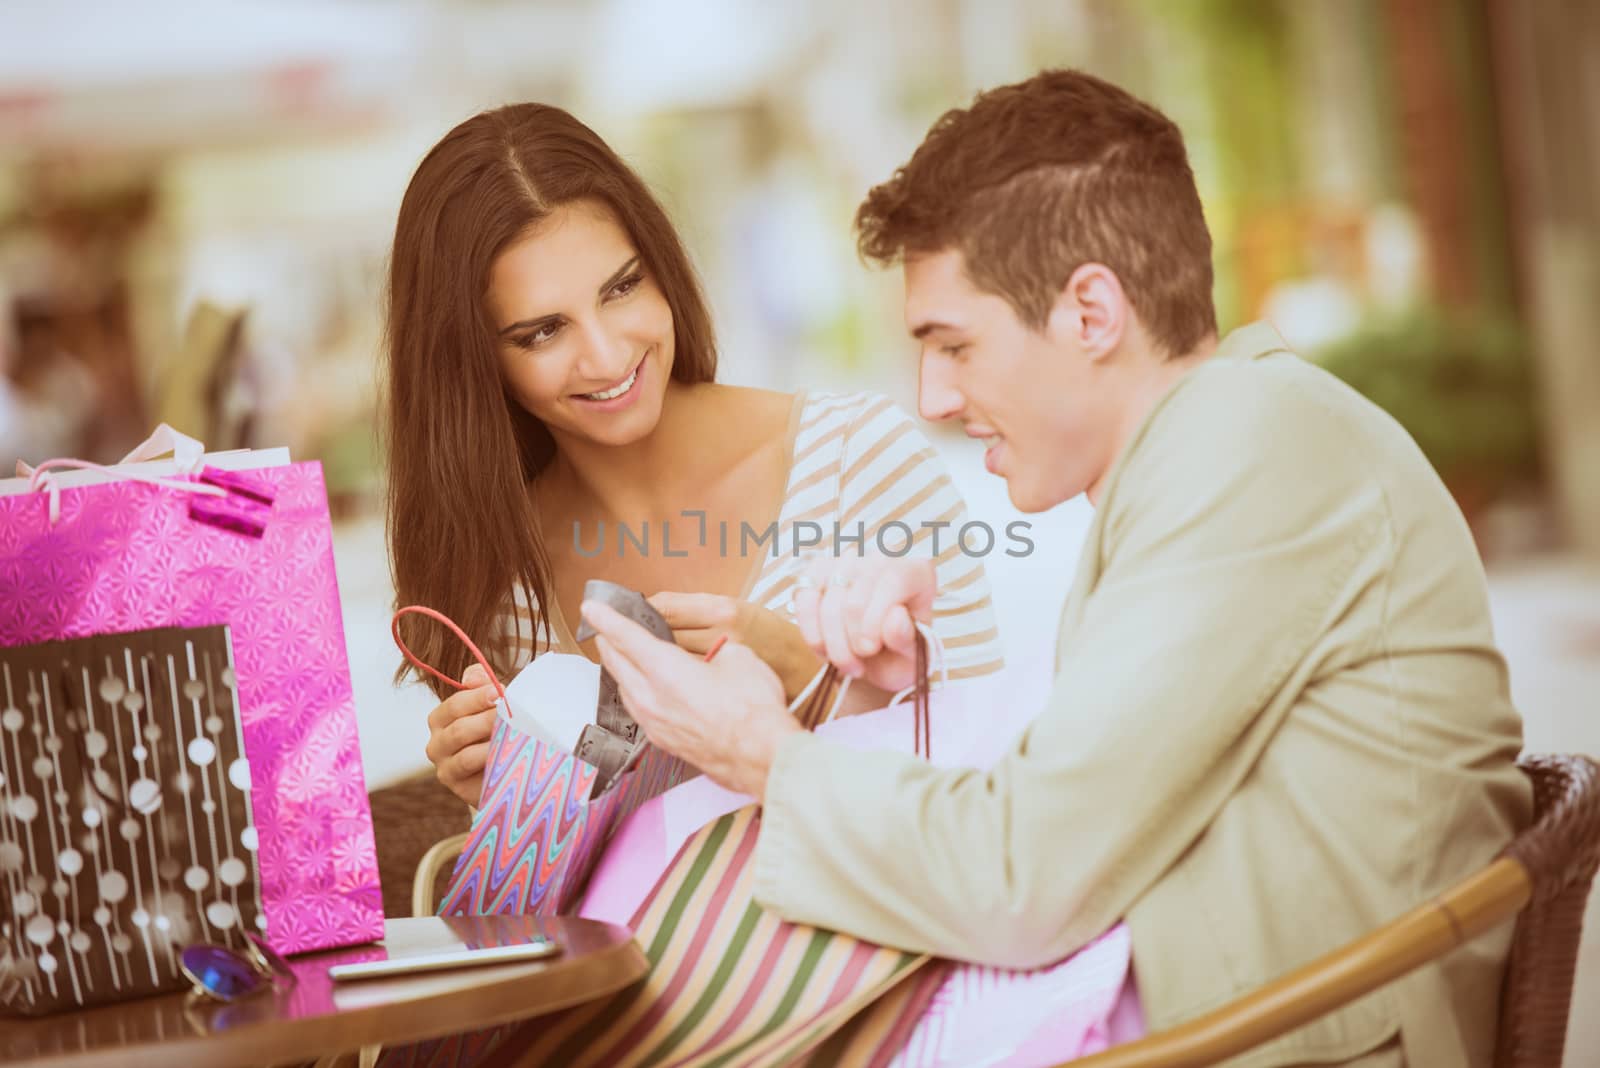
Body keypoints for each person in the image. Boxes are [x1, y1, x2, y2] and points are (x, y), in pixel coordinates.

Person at [580, 70, 1531, 1067]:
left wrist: (760, 754)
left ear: (1090, 312)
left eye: (953, 345)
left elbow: (1021, 879)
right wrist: (906, 690)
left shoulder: (1247, 444)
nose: (932, 397)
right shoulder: (1209, 450)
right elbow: (1099, 799)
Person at [383, 103, 1005, 809]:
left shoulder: (857, 462)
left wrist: (807, 674)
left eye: (622, 288)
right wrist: (500, 806)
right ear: (472, 365)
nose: (608, 354)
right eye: (542, 333)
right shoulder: (501, 591)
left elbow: (989, 790)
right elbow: (566, 908)